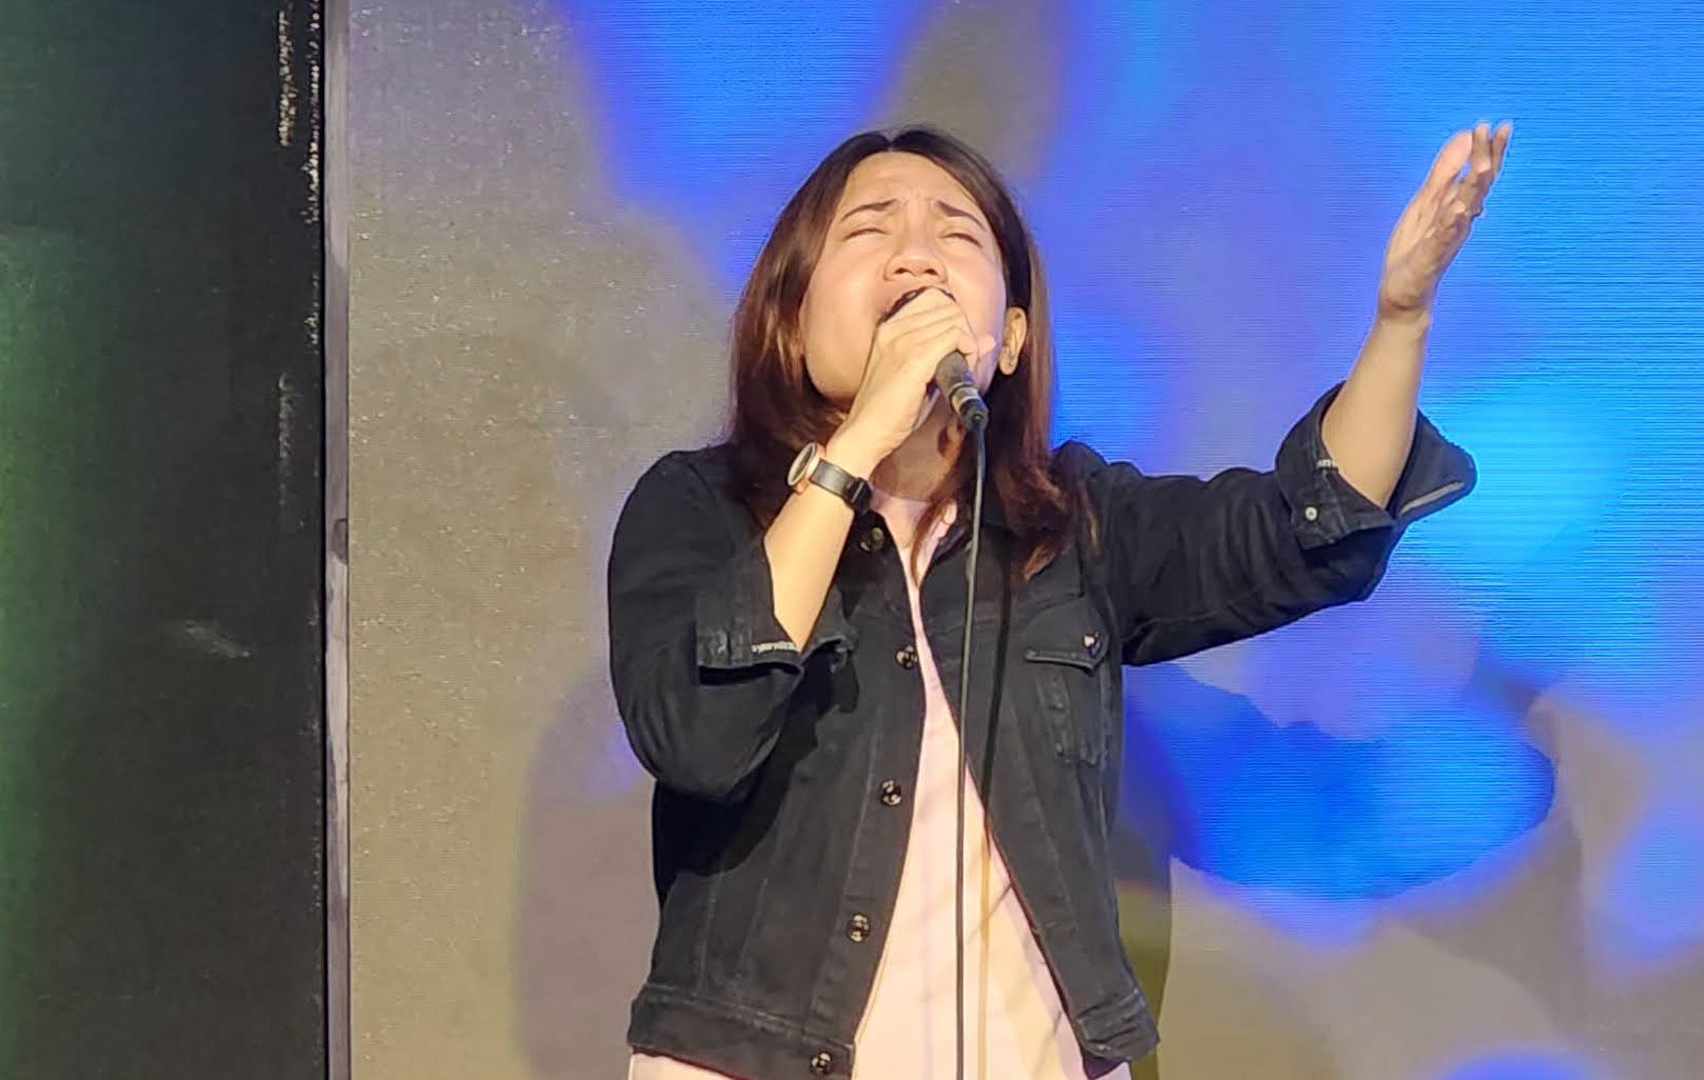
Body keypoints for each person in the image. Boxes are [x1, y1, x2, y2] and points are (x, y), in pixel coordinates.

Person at [609, 123, 1510, 1080]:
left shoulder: (1074, 525)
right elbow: (698, 738)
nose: (916, 254)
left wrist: (1402, 319)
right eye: (869, 229)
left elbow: (1305, 529)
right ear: (792, 320)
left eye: (956, 234)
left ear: (1009, 339)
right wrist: (859, 442)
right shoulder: (699, 509)